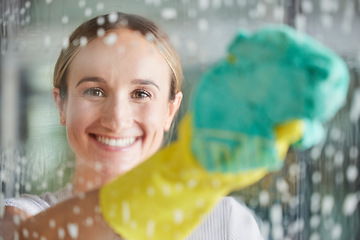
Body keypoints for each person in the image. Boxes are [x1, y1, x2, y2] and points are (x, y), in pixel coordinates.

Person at [1, 12, 263, 240]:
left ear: (170, 110)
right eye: (94, 91)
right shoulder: (25, 215)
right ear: (61, 105)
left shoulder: (226, 223)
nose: (116, 119)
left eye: (141, 94)